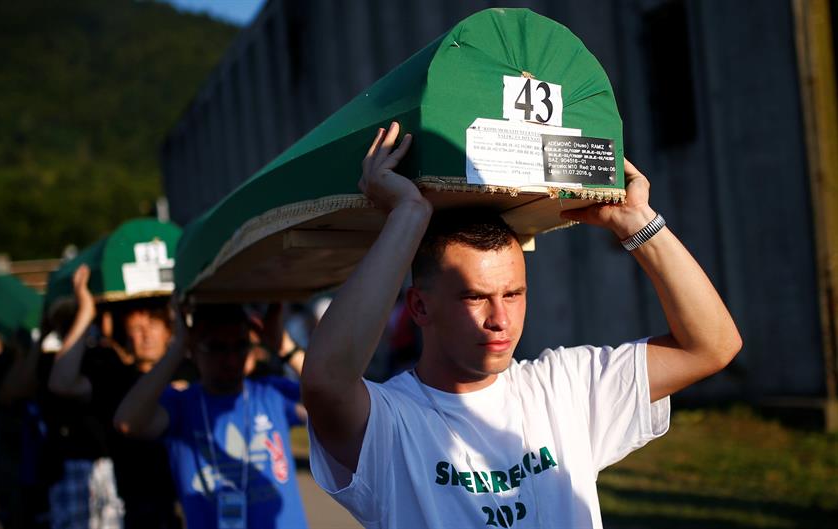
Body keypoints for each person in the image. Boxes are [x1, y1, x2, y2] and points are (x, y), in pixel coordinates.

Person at [301, 122, 742, 528]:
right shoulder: (390, 423)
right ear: (419, 308)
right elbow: (325, 381)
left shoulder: (566, 387)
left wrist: (638, 223)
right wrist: (409, 216)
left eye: (513, 294)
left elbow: (711, 346)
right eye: (475, 297)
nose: (500, 319)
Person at [113, 303, 309, 529]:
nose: (231, 360)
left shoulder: (270, 394)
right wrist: (176, 349)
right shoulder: (181, 404)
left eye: (240, 346)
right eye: (216, 347)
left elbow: (331, 396)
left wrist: (285, 347)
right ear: (193, 349)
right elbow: (127, 422)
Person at [47, 264, 182, 529]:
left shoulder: (193, 369)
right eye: (137, 326)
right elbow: (61, 382)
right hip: (131, 507)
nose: (145, 335)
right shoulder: (113, 375)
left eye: (153, 324)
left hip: (185, 502)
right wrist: (86, 313)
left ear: (169, 329)